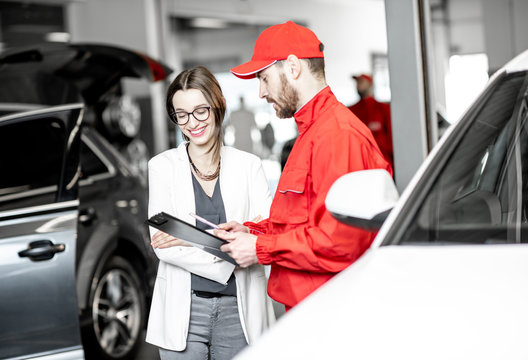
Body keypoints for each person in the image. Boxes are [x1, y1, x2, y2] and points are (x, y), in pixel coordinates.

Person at [215, 21, 393, 311]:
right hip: (311, 310)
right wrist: (253, 233)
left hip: (330, 313)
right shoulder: (312, 133)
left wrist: (260, 249)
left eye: (264, 78)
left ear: (293, 67)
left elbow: (340, 243)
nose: (261, 92)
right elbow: (302, 222)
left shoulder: (338, 136)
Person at [145, 66, 275, 360]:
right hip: (183, 311)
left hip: (239, 312)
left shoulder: (249, 165)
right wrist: (229, 250)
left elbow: (265, 232)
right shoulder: (161, 167)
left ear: (217, 107)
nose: (193, 123)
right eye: (182, 114)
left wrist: (189, 236)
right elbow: (163, 245)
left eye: (201, 111)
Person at [348, 73, 394, 169]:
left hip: (383, 163)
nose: (358, 85)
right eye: (357, 82)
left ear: (370, 84)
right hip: (360, 164)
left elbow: (391, 136)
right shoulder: (351, 110)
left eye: (361, 82)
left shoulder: (382, 108)